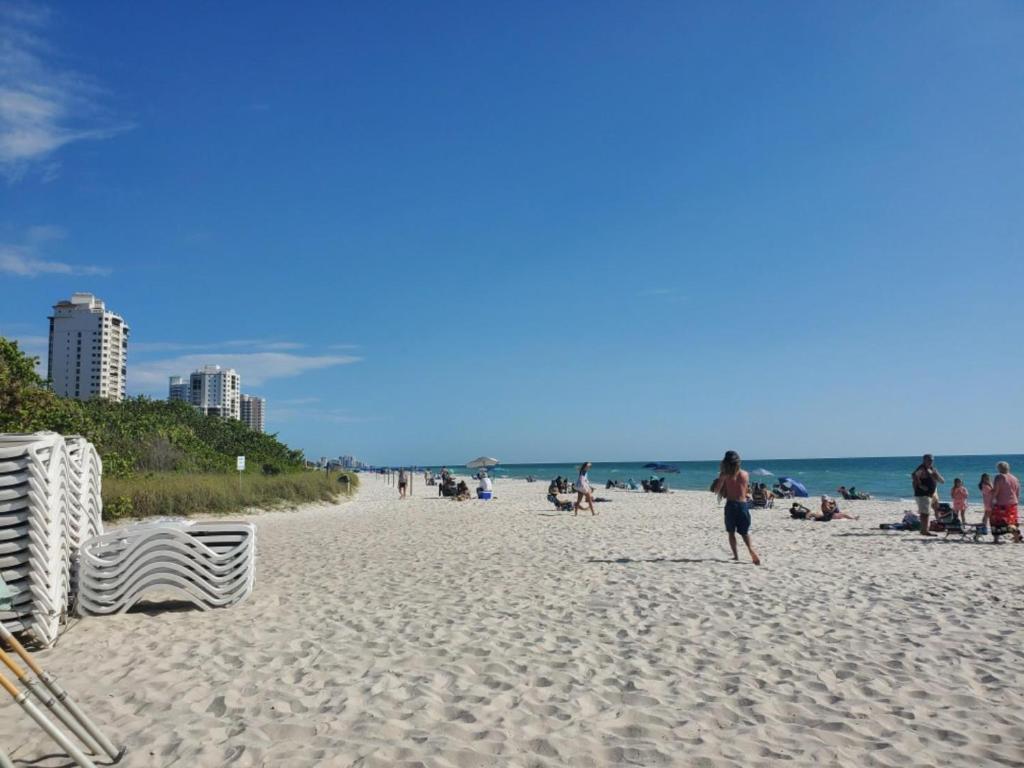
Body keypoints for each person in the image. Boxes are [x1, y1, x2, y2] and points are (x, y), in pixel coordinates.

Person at [710, 450, 760, 565]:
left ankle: (736, 556)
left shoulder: (724, 475)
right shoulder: (745, 474)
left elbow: (717, 491)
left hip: (731, 505)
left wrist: (721, 480)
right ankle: (751, 550)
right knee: (744, 532)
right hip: (743, 505)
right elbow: (746, 490)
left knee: (731, 532)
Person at [911, 454, 944, 536]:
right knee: (925, 513)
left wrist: (936, 474)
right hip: (923, 494)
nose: (931, 461)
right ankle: (924, 530)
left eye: (932, 460)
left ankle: (939, 524)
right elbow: (914, 476)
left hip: (931, 494)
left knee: (936, 508)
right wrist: (920, 485)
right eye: (929, 460)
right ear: (924, 460)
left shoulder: (932, 469)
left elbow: (942, 481)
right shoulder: (922, 469)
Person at [991, 461, 1021, 542]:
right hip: (1013, 503)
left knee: (996, 521)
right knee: (1011, 521)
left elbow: (996, 491)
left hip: (1002, 503)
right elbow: (1017, 492)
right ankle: (1016, 537)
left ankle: (996, 538)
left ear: (999, 468)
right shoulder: (1015, 478)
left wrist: (991, 499)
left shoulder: (999, 477)